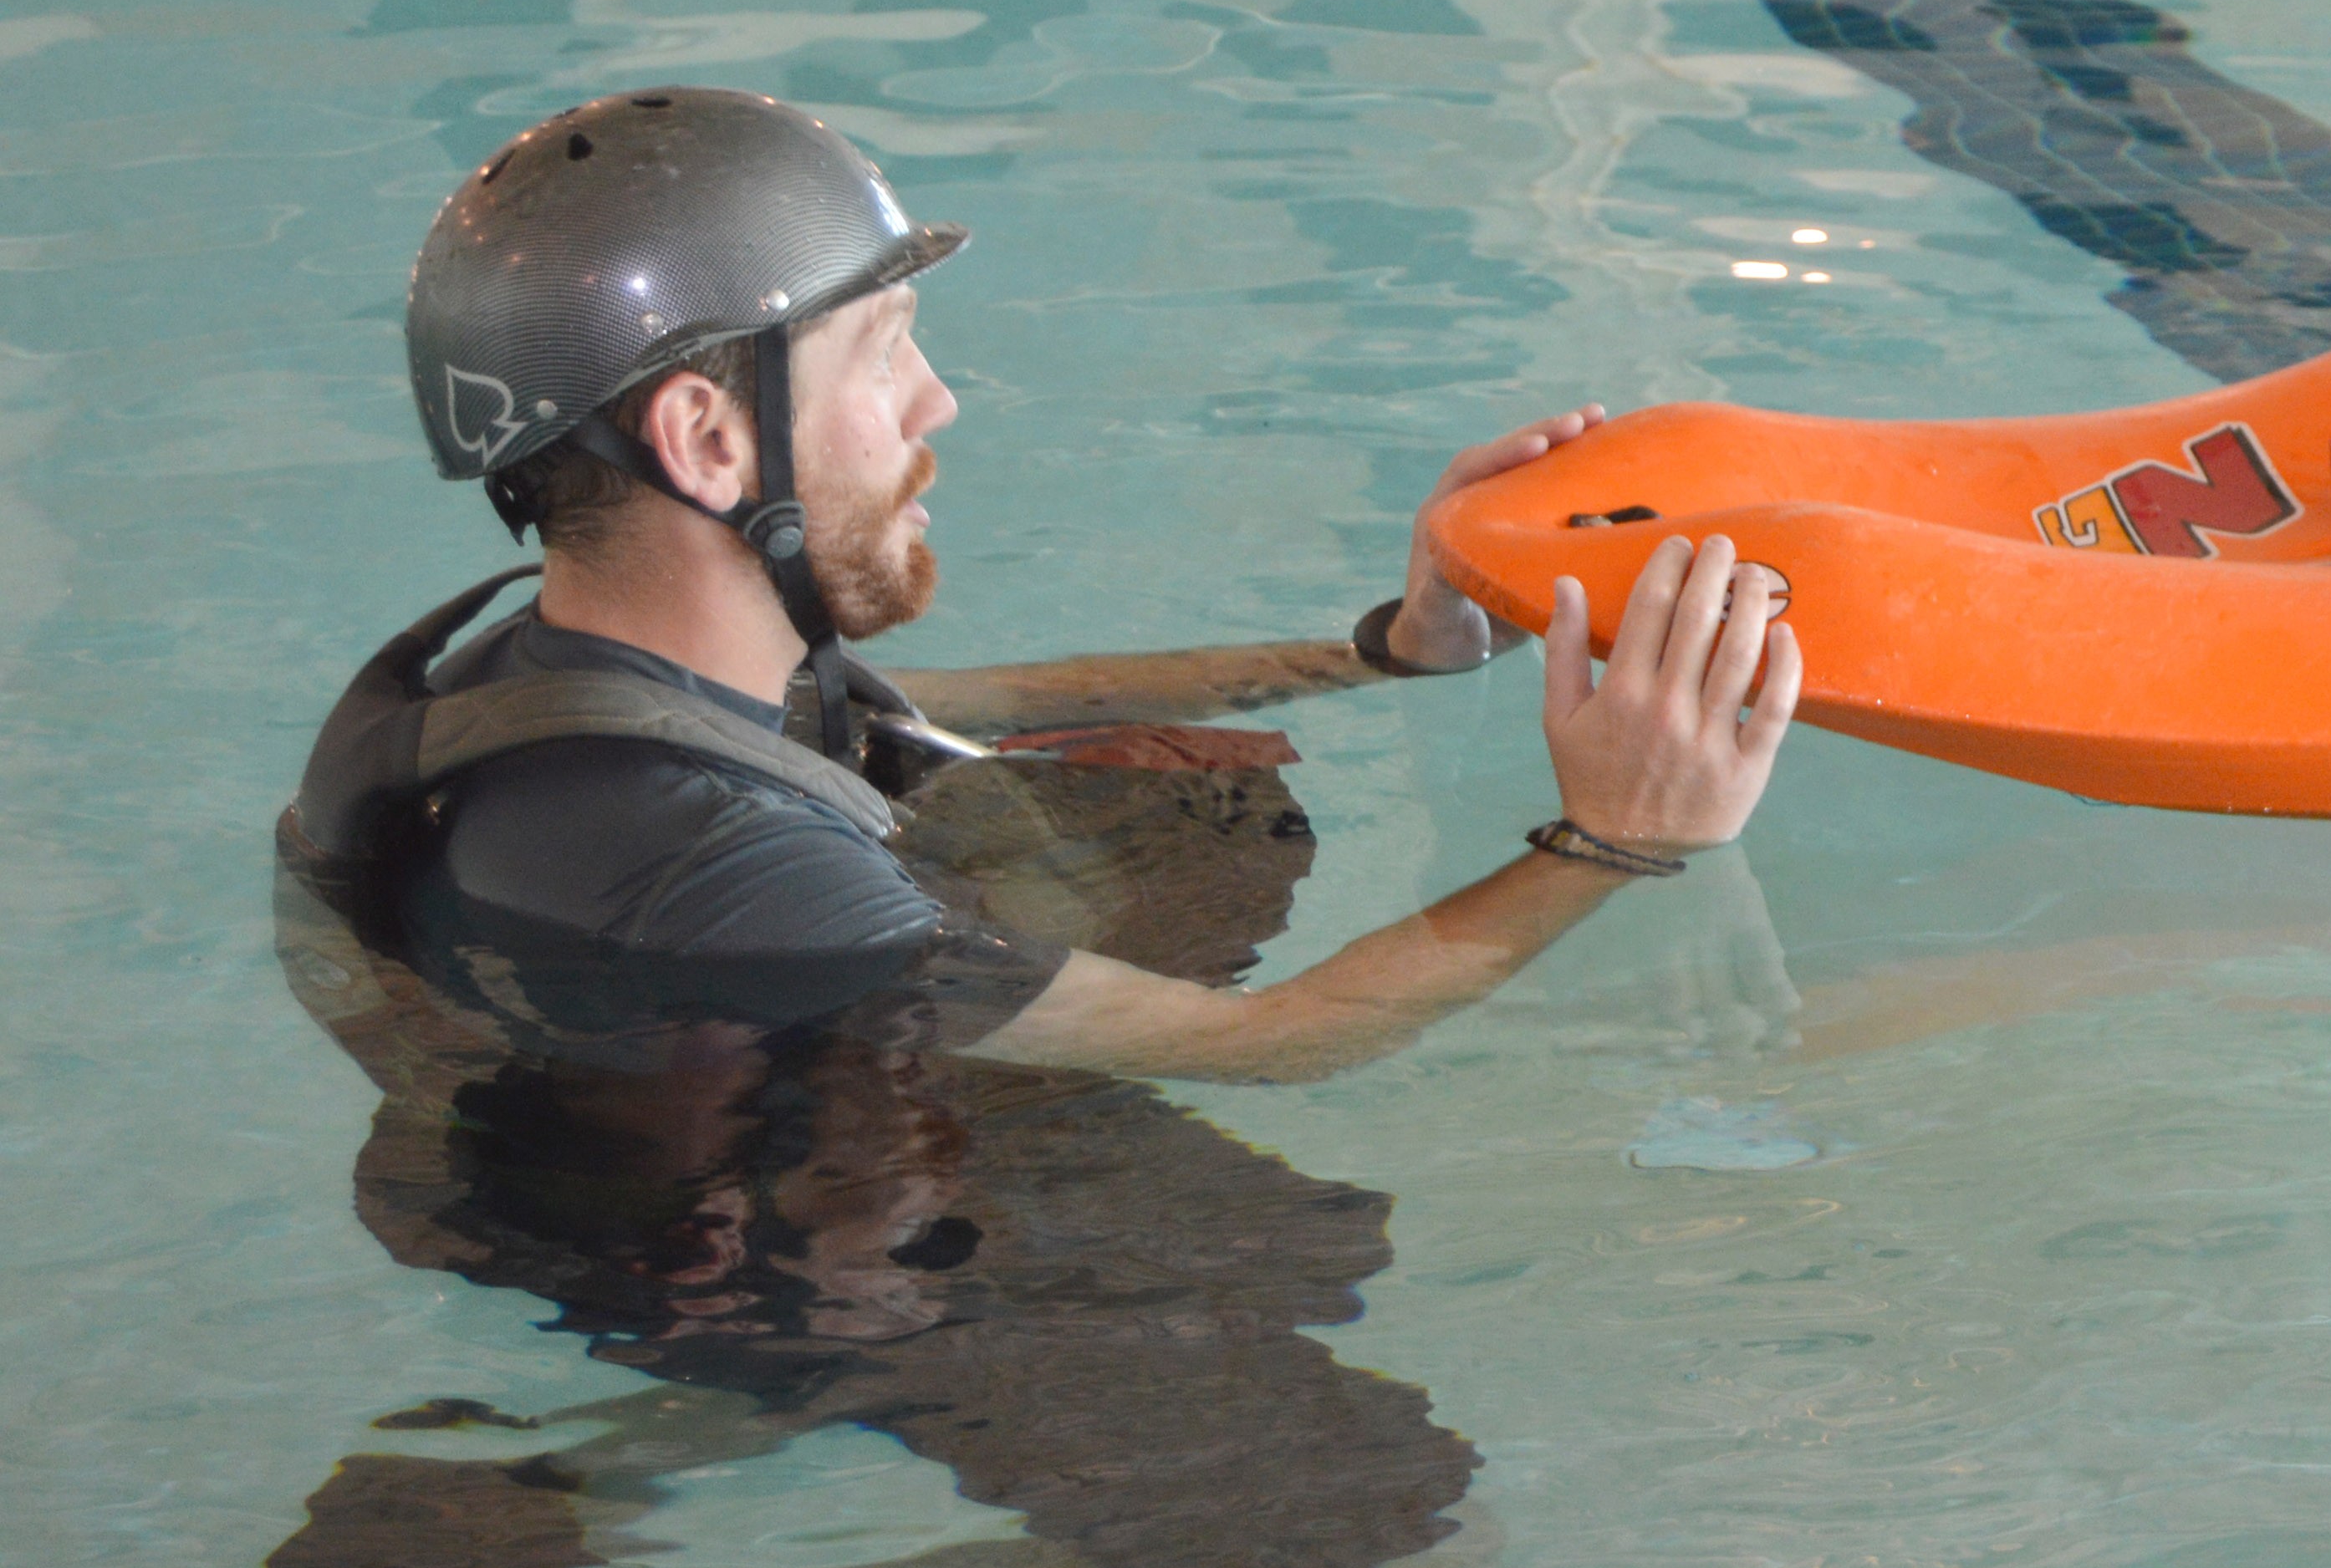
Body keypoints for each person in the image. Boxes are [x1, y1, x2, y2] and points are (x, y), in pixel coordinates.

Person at [292, 84, 1798, 1081]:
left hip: (754, 1064)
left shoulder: (568, 678)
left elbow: (1005, 699)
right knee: (1382, 1538)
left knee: (1202, 799)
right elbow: (1278, 1044)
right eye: (884, 356)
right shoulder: (715, 864)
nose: (939, 402)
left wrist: (1391, 651)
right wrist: (1615, 841)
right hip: (768, 1259)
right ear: (704, 437)